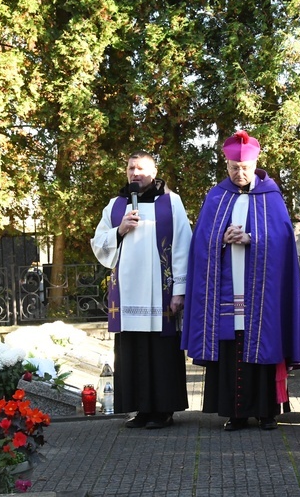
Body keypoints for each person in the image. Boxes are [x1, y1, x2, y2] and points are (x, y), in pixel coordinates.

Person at [182, 130, 300, 431]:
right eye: (233, 167)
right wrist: (221, 239)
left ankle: (267, 412)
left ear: (255, 164)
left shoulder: (271, 194)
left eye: (245, 168)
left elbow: (282, 239)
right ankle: (235, 412)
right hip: (228, 290)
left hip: (261, 292)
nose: (239, 173)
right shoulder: (216, 196)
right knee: (231, 347)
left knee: (264, 344)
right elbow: (200, 242)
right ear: (225, 165)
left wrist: (253, 238)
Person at [91, 150, 192, 429]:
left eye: (141, 168)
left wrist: (179, 290)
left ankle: (164, 410)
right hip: (128, 294)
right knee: (132, 352)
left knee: (160, 351)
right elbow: (98, 243)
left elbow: (184, 245)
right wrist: (118, 231)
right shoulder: (115, 206)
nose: (136, 173)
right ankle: (140, 409)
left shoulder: (171, 203)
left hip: (162, 292)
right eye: (131, 168)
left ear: (154, 172)